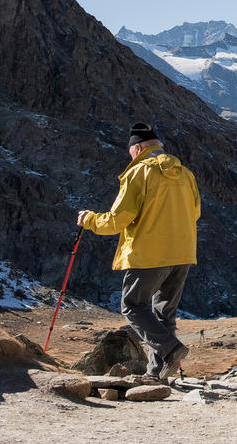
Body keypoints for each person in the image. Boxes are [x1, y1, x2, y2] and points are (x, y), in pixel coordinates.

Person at [78, 122, 201, 379]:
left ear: (137, 148)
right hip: (183, 251)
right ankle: (157, 372)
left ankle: (171, 349)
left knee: (132, 306)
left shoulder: (139, 173)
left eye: (131, 152)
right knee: (163, 312)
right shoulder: (186, 174)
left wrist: (89, 220)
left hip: (150, 252)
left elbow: (117, 220)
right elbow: (196, 212)